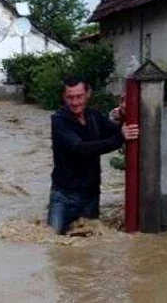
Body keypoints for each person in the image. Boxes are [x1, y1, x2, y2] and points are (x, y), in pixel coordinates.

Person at [47, 76, 139, 234]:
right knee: (51, 243)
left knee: (88, 247)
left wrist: (123, 113)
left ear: (88, 94)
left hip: (91, 194)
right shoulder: (59, 121)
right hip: (63, 195)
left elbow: (115, 131)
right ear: (64, 97)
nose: (75, 102)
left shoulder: (93, 116)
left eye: (79, 96)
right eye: (70, 97)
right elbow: (80, 148)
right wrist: (120, 137)